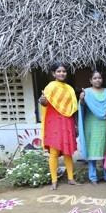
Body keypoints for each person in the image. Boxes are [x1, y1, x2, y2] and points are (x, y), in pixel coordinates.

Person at [39, 62, 79, 190]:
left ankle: (71, 178)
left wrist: (76, 125)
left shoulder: (70, 89)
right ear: (53, 73)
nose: (62, 73)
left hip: (67, 121)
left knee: (68, 152)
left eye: (64, 71)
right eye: (59, 71)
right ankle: (54, 180)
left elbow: (73, 107)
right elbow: (45, 103)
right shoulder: (50, 87)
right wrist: (43, 101)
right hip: (54, 122)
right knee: (54, 152)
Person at [78, 70, 106, 185]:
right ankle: (93, 177)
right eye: (95, 78)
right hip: (90, 124)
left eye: (100, 78)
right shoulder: (86, 92)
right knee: (92, 150)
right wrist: (81, 99)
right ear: (90, 80)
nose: (98, 80)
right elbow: (81, 107)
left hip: (104, 124)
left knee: (105, 150)